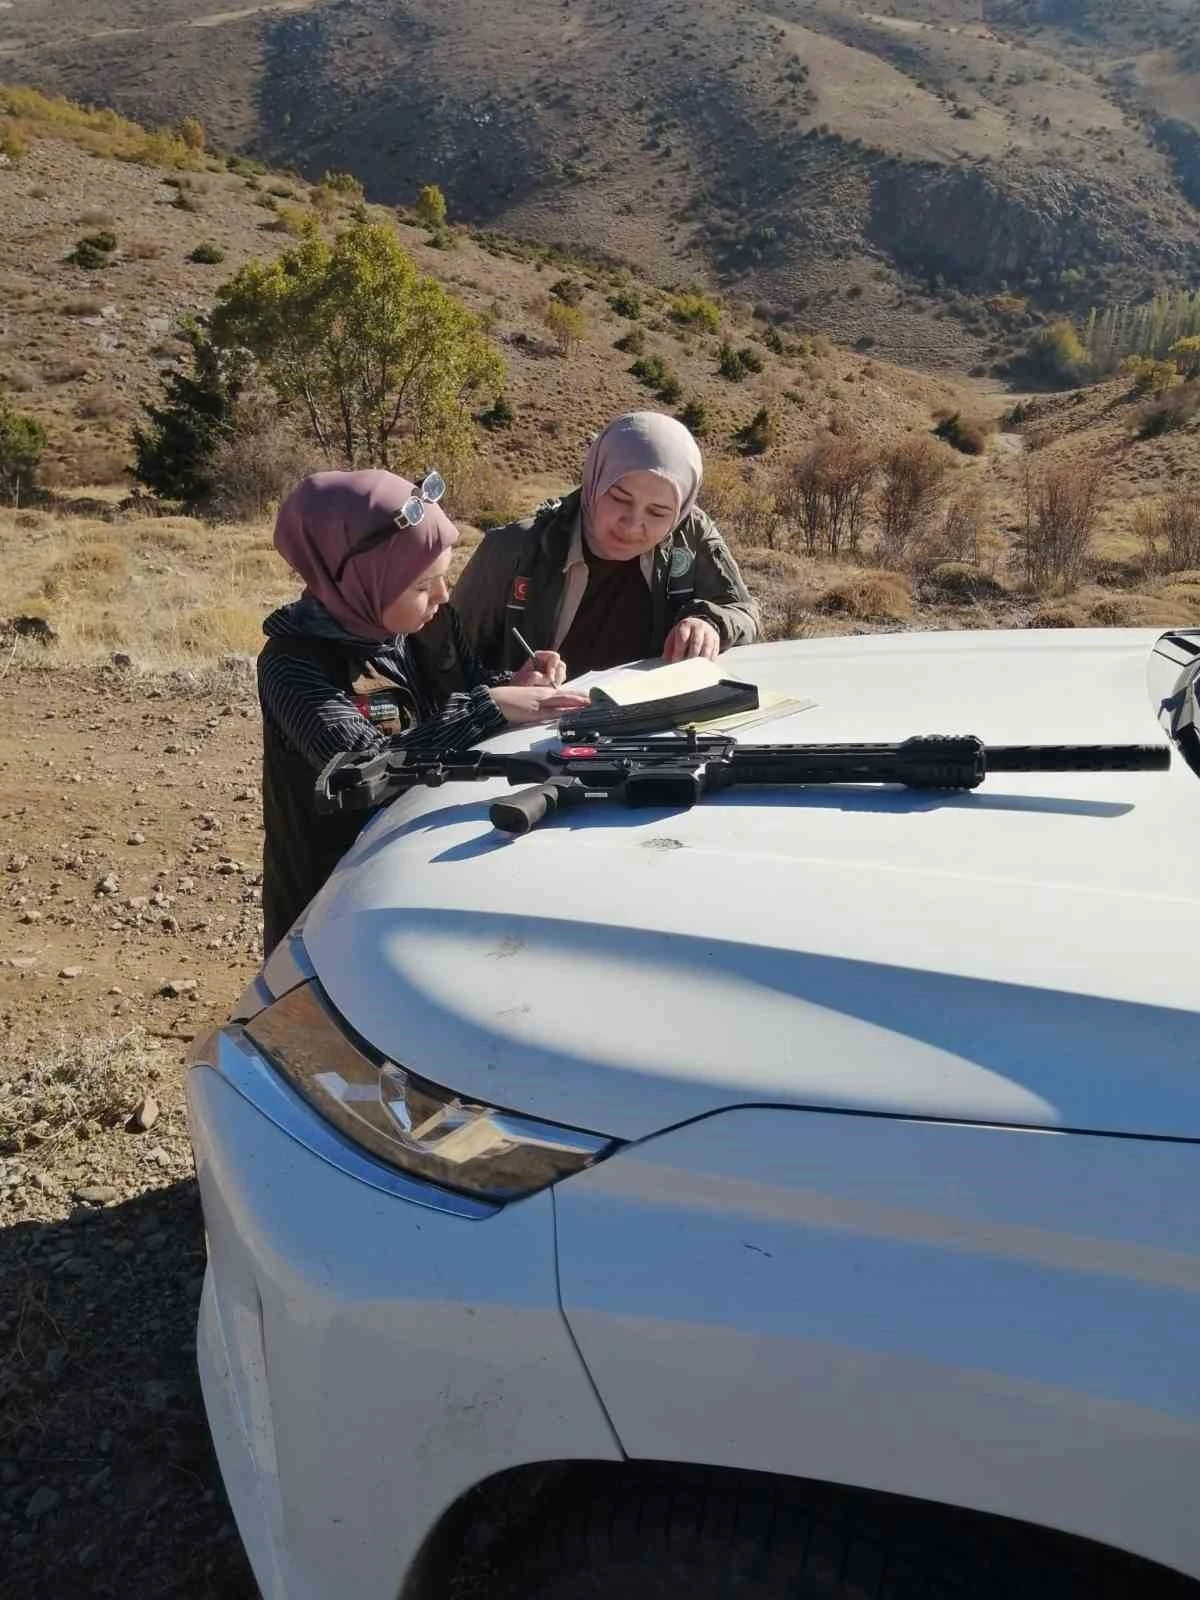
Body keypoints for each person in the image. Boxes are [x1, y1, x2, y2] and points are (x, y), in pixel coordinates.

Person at [257, 468, 585, 955]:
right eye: (422, 585)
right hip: (331, 892)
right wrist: (489, 708)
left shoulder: (429, 624)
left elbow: (466, 686)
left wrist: (514, 683)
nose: (444, 595)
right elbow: (362, 767)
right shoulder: (294, 664)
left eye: (445, 576)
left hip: (418, 867)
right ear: (361, 582)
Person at [434, 411, 760, 681]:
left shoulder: (690, 534)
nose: (632, 524)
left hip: (650, 729)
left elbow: (744, 612)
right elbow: (439, 660)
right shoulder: (515, 549)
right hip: (530, 732)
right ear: (594, 480)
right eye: (619, 498)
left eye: (658, 512)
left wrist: (709, 623)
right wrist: (505, 690)